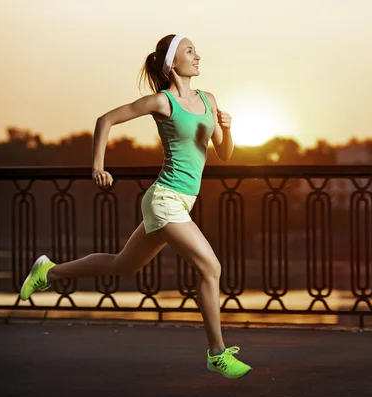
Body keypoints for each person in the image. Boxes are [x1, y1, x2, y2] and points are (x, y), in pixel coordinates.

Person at [19, 34, 251, 379]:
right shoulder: (162, 101)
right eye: (190, 51)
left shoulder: (209, 99)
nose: (198, 55)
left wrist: (228, 130)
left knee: (124, 265)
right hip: (165, 200)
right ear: (172, 63)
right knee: (210, 267)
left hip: (182, 203)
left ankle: (48, 272)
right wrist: (98, 165)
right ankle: (217, 353)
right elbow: (106, 120)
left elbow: (224, 153)